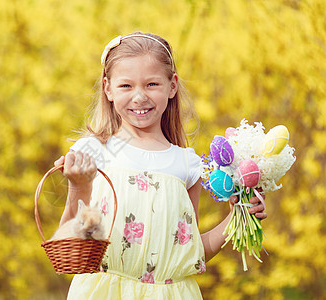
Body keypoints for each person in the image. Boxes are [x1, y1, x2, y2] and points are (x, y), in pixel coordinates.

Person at [53, 32, 267, 299]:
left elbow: (189, 251)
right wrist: (79, 187)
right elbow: (69, 243)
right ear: (108, 89)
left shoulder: (186, 164)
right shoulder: (94, 152)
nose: (140, 97)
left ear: (172, 86)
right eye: (126, 86)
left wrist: (238, 217)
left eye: (152, 84)